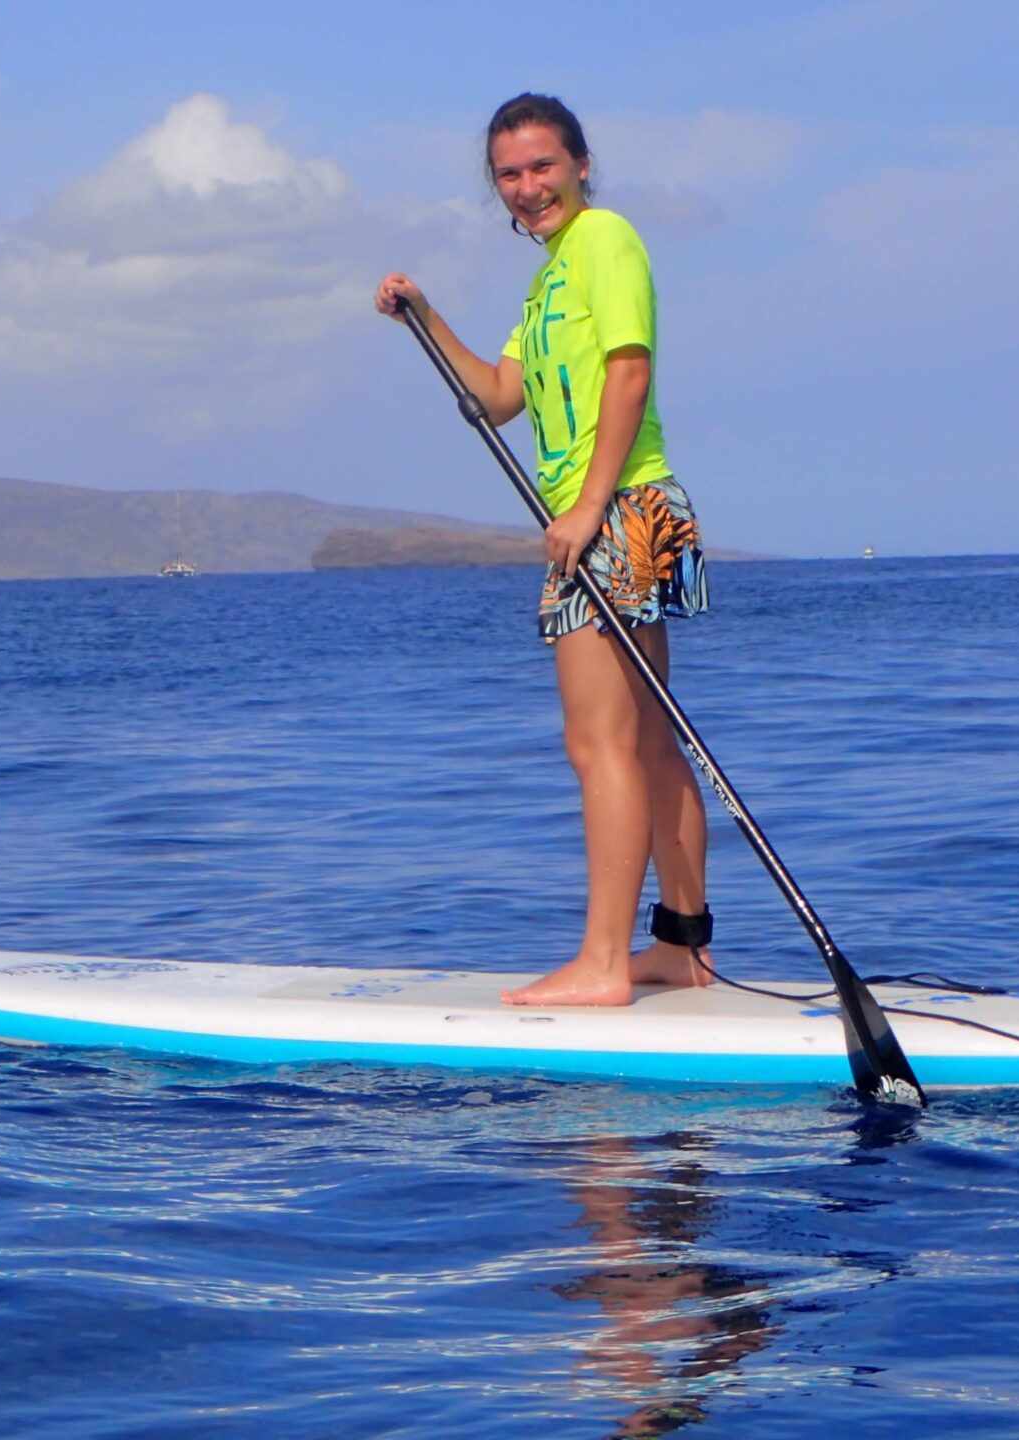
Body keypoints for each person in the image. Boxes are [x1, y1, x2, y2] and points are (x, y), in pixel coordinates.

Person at [374, 92, 714, 1007]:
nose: (527, 189)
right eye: (509, 176)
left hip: (617, 511)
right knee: (647, 739)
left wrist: (588, 507)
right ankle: (683, 949)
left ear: (581, 164)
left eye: (542, 168)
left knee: (597, 742)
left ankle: (604, 963)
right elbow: (495, 397)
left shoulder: (605, 242)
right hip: (621, 514)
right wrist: (424, 315)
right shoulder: (549, 280)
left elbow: (629, 371)